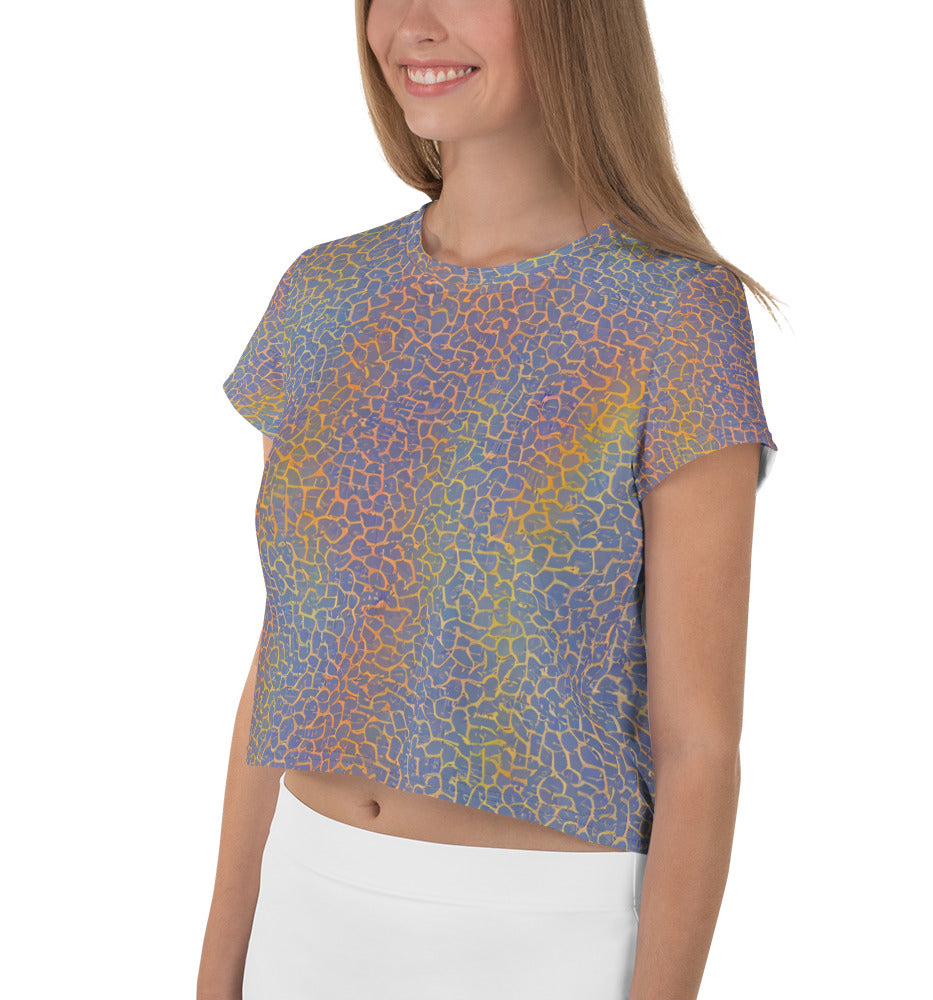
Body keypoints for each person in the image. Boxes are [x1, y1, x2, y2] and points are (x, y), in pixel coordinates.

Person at [197, 1, 781, 997]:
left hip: (537, 942)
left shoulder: (671, 314)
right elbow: (289, 648)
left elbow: (699, 746)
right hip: (305, 907)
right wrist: (219, 968)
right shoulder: (323, 294)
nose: (413, 23)